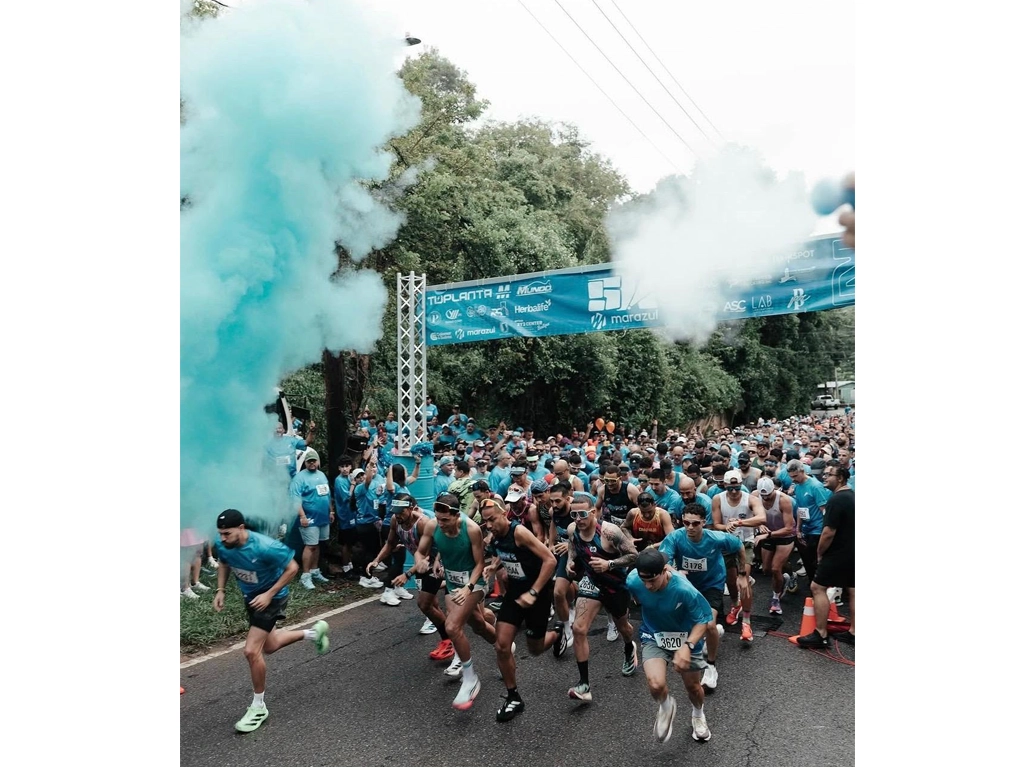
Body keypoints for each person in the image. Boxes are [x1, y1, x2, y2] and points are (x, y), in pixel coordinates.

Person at [212, 509, 330, 733]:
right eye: (220, 534)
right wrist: (220, 590)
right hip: (253, 599)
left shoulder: (264, 546)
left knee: (251, 651)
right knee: (271, 645)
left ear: (241, 528)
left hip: (272, 598)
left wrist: (268, 594)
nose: (222, 538)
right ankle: (314, 633)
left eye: (226, 533)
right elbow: (224, 563)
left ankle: (258, 707)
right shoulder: (225, 546)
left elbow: (292, 568)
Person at [412, 493, 497, 710]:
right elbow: (420, 552)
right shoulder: (432, 526)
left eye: (445, 520)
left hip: (474, 583)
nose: (441, 524)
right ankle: (503, 644)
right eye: (438, 519)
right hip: (451, 581)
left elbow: (480, 564)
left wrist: (469, 588)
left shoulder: (471, 530)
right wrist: (420, 562)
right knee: (477, 624)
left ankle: (470, 678)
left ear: (456, 515)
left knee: (452, 626)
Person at [479, 497, 561, 722]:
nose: (489, 525)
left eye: (492, 519)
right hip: (515, 594)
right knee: (501, 646)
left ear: (504, 514)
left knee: (535, 649)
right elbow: (506, 557)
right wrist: (493, 567)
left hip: (538, 594)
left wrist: (533, 592)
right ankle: (513, 696)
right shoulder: (494, 536)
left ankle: (557, 634)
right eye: (485, 521)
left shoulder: (519, 533)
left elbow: (550, 560)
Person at [626, 549, 713, 743]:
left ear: (665, 571)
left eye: (652, 580)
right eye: (644, 581)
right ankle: (666, 707)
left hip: (687, 638)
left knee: (693, 686)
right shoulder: (633, 580)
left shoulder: (684, 589)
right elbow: (635, 595)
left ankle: (698, 715)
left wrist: (687, 646)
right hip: (653, 634)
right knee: (655, 685)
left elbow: (703, 621)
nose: (648, 586)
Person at [659, 503, 746, 691]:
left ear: (703, 522)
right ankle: (711, 637)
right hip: (687, 585)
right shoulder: (675, 537)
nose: (690, 527)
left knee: (709, 624)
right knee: (690, 624)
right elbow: (663, 561)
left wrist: (742, 574)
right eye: (686, 523)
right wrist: (676, 572)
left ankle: (711, 667)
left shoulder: (716, 538)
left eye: (695, 523)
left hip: (711, 585)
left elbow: (739, 546)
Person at [565, 493, 640, 702]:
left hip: (615, 586)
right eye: (574, 515)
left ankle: (628, 648)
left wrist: (610, 564)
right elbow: (573, 547)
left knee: (624, 627)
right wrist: (570, 562)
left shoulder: (609, 532)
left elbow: (634, 555)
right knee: (579, 628)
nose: (578, 519)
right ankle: (584, 685)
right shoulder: (573, 530)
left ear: (593, 512)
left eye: (582, 514)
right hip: (592, 581)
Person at [378, 495, 456, 654]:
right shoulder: (395, 520)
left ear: (411, 509)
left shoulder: (422, 523)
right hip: (421, 566)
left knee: (425, 604)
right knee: (429, 604)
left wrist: (407, 574)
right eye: (395, 512)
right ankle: (449, 639)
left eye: (401, 511)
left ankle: (451, 639)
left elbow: (426, 556)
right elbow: (390, 543)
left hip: (437, 564)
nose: (397, 515)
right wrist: (376, 560)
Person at [797, 466, 855, 648]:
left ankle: (820, 634)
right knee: (853, 589)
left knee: (817, 587)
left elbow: (829, 532)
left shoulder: (836, 500)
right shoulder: (852, 496)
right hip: (853, 550)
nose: (825, 477)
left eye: (829, 475)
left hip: (838, 552)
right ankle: (854, 632)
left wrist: (820, 552)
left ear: (840, 479)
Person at [711, 471, 766, 644]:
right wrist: (726, 526)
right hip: (727, 543)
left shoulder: (750, 499)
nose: (734, 492)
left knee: (743, 581)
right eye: (731, 488)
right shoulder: (718, 499)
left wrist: (740, 523)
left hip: (746, 543)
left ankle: (747, 622)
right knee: (730, 581)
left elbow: (761, 518)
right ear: (725, 486)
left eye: (737, 487)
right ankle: (735, 604)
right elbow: (716, 524)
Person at [288, 449, 334, 590]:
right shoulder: (299, 478)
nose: (312, 463)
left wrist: (331, 511)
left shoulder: (321, 475)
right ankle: (305, 575)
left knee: (317, 544)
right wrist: (302, 516)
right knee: (310, 546)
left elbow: (327, 494)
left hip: (323, 518)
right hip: (309, 518)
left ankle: (315, 571)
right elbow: (295, 499)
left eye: (314, 461)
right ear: (306, 463)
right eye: (309, 461)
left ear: (318, 462)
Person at [752, 477, 798, 613]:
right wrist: (759, 524)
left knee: (775, 568)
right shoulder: (754, 496)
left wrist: (768, 535)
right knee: (766, 569)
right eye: (763, 496)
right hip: (767, 534)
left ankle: (776, 598)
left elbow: (789, 528)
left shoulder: (783, 500)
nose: (765, 498)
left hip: (785, 535)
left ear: (774, 490)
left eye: (768, 495)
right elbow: (751, 515)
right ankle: (787, 576)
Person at [787, 459, 832, 588]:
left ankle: (822, 589)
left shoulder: (815, 486)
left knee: (816, 562)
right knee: (807, 561)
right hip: (806, 529)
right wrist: (799, 529)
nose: (793, 479)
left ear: (802, 471)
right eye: (791, 477)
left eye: (795, 476)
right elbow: (801, 509)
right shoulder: (798, 486)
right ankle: (813, 587)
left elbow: (824, 510)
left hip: (817, 530)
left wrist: (825, 530)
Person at [332, 456, 358, 579]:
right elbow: (346, 497)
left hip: (353, 514)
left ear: (350, 467)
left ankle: (351, 564)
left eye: (346, 466)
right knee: (346, 543)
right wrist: (353, 485)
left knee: (352, 541)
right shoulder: (339, 481)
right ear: (338, 468)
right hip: (345, 516)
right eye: (342, 467)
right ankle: (346, 567)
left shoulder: (351, 476)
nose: (344, 469)